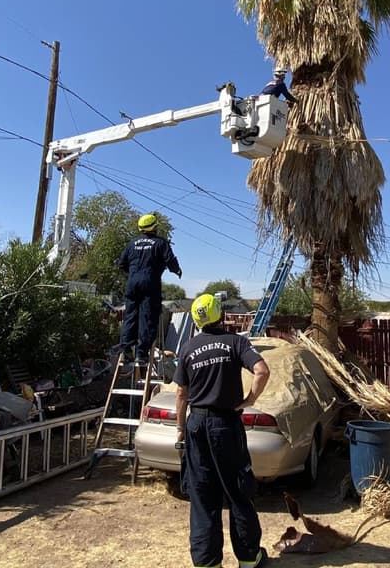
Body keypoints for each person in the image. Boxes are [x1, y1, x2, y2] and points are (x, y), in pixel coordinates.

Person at [175, 294, 271, 568]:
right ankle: (250, 559)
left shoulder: (189, 347)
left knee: (202, 496)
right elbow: (262, 371)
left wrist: (181, 429)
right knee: (238, 492)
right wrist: (250, 400)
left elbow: (182, 393)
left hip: (197, 424)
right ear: (222, 315)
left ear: (196, 320)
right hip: (225, 425)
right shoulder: (236, 342)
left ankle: (207, 563)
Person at [115, 213, 182, 364]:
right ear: (155, 227)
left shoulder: (132, 243)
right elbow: (170, 261)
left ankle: (126, 351)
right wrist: (177, 270)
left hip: (132, 283)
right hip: (150, 283)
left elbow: (121, 263)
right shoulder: (160, 243)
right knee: (147, 318)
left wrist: (133, 273)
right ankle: (141, 354)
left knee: (130, 316)